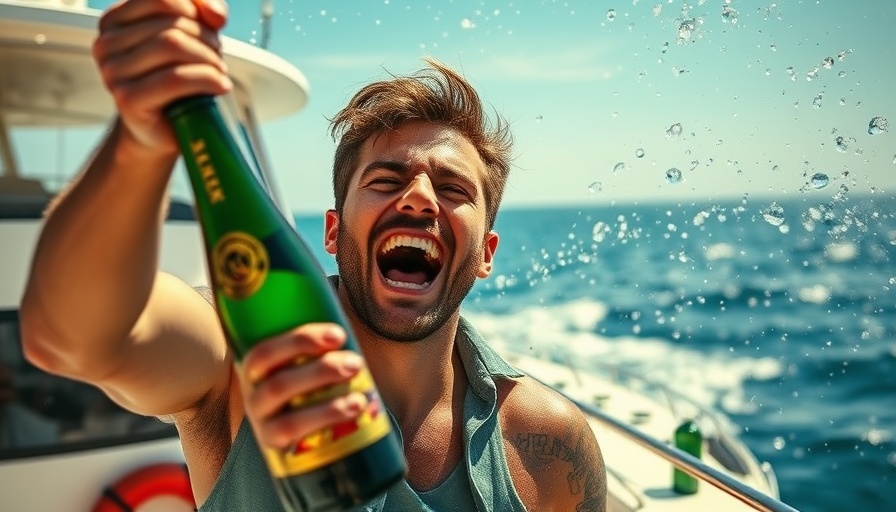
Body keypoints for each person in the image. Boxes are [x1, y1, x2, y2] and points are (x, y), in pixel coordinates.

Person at [19, 0, 607, 510]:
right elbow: (78, 334)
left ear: (485, 253)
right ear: (332, 232)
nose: (420, 199)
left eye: (453, 189)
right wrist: (141, 143)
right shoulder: (240, 362)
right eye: (386, 179)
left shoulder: (547, 442)